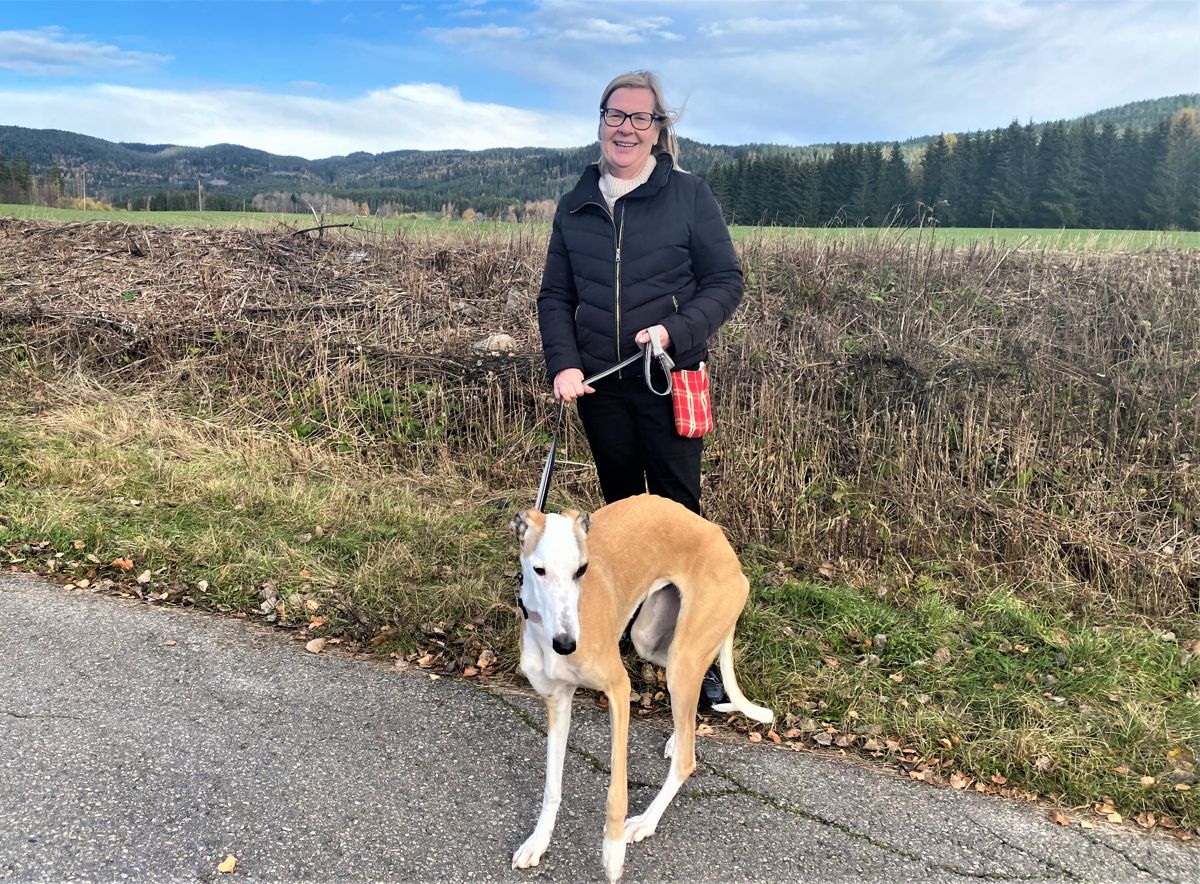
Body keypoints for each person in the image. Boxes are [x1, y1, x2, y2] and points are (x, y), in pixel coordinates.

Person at [536, 70, 743, 710]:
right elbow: (556, 296)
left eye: (640, 118)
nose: (626, 127)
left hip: (670, 380)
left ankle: (698, 656)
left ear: (659, 129)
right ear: (600, 120)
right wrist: (563, 365)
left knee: (681, 520)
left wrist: (674, 333)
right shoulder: (575, 205)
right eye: (615, 115)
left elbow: (725, 283)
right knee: (622, 516)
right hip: (601, 388)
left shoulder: (688, 196)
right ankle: (622, 638)